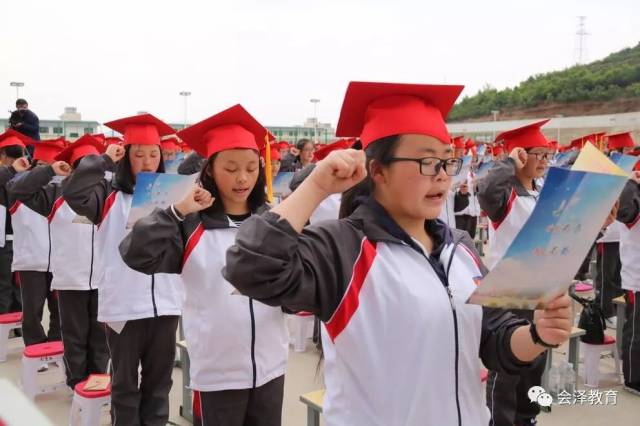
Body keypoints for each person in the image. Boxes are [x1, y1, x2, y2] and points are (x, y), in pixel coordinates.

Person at [224, 81, 573, 426]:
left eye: (446, 162)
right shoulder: (344, 249)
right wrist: (316, 186)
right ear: (378, 171)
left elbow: (494, 339)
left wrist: (538, 335)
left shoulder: (460, 247)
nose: (441, 177)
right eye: (426, 162)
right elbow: (250, 266)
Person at [120, 104, 288, 426]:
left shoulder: (270, 220)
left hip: (271, 367)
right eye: (231, 168)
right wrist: (176, 211)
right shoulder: (191, 225)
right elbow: (135, 254)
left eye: (252, 168)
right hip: (218, 373)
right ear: (210, 169)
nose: (243, 178)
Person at [62, 114, 183, 426]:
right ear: (125, 157)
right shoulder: (107, 195)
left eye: (153, 154)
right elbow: (73, 194)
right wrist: (102, 159)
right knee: (125, 384)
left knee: (159, 384)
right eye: (138, 154)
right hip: (124, 307)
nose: (146, 162)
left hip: (166, 304)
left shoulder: (173, 195)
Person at [8, 134, 110, 390]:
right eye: (83, 167)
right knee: (74, 337)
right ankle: (76, 385)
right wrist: (49, 170)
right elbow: (17, 189)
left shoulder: (107, 194)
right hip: (69, 280)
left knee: (100, 338)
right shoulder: (55, 194)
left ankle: (97, 385)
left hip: (103, 280)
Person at [477, 119, 554, 426]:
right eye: (539, 154)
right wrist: (508, 162)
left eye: (548, 155)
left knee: (536, 358)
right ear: (521, 154)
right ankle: (500, 420)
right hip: (508, 288)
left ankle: (528, 416)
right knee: (507, 365)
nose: (544, 162)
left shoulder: (540, 192)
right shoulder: (506, 194)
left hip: (539, 286)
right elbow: (485, 189)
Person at [6, 139, 65, 351]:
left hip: (60, 262)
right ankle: (34, 347)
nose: (49, 173)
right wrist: (15, 169)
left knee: (60, 311)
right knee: (32, 311)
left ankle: (57, 347)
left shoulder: (65, 192)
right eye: (42, 166)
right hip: (30, 262)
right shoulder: (18, 193)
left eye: (54, 166)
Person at [615, 168, 640, 396]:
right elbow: (624, 209)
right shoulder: (631, 193)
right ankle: (633, 378)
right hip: (637, 278)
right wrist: (629, 182)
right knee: (636, 329)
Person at [0, 130, 29, 316]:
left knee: (4, 284)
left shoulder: (9, 174)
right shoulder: (29, 176)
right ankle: (18, 323)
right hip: (22, 237)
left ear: (3, 155)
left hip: (7, 237)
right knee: (17, 284)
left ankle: (5, 324)